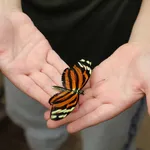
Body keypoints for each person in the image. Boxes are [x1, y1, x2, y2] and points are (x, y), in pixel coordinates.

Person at [0, 0, 150, 150]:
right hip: (23, 46)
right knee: (34, 125)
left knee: (106, 144)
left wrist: (144, 42)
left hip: (117, 60)